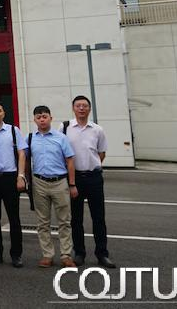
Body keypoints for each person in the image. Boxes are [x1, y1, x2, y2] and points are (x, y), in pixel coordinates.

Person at [64, 95, 115, 268]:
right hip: (74, 178)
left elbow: (101, 153)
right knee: (76, 219)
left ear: (89, 108)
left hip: (94, 177)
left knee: (98, 218)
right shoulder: (65, 127)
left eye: (85, 106)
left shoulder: (97, 129)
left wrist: (92, 166)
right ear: (73, 108)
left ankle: (102, 254)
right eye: (78, 106)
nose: (81, 108)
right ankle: (79, 253)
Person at [26, 105, 77, 268]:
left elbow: (70, 161)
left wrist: (72, 184)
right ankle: (47, 255)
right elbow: (25, 160)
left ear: (50, 118)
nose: (42, 120)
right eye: (39, 117)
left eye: (45, 116)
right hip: (39, 182)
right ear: (34, 120)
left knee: (64, 221)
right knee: (43, 222)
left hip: (60, 182)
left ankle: (66, 255)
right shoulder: (30, 138)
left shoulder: (61, 138)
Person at [0, 100, 27, 268]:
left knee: (14, 218)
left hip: (10, 177)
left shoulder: (13, 130)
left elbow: (22, 153)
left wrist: (21, 176)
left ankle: (16, 254)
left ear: (4, 113)